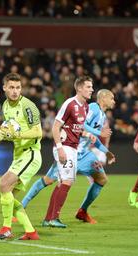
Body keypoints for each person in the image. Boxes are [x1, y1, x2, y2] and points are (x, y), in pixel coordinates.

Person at [22, 89, 116, 226]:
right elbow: (81, 125)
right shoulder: (93, 108)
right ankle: (22, 206)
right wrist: (97, 132)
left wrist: (106, 151)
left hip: (85, 154)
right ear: (104, 98)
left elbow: (93, 137)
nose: (114, 101)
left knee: (101, 179)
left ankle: (82, 211)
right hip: (72, 149)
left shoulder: (102, 115)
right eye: (112, 98)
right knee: (48, 180)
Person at [0, 72, 42, 241]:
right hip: (18, 156)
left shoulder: (28, 106)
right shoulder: (5, 106)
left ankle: (6, 228)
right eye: (11, 87)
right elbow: (7, 130)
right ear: (4, 88)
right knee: (7, 195)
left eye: (18, 87)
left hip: (31, 153)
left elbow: (38, 132)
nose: (15, 91)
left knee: (3, 183)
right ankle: (30, 231)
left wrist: (17, 135)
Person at [41, 76, 95, 228]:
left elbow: (76, 129)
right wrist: (60, 149)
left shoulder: (86, 107)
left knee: (61, 183)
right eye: (88, 87)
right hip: (64, 147)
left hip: (73, 147)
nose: (92, 89)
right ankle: (54, 218)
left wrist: (87, 134)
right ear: (79, 88)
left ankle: (48, 218)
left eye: (92, 87)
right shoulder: (69, 104)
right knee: (67, 181)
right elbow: (55, 127)